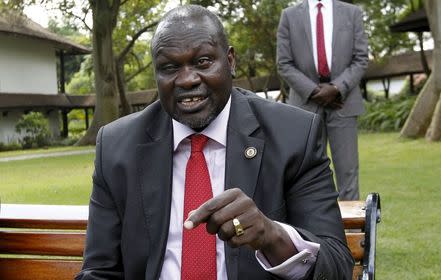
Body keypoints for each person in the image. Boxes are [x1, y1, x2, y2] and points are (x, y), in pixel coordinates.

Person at [76, 5, 353, 280]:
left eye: (203, 62)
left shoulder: (294, 135)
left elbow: (337, 266)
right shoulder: (116, 147)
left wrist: (271, 236)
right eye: (169, 67)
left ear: (230, 61)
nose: (186, 80)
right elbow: (99, 271)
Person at [277, 0, 368, 200]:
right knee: (305, 175)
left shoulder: (352, 13)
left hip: (343, 103)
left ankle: (349, 230)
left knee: (348, 173)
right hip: (304, 105)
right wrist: (314, 91)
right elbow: (284, 63)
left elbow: (361, 58)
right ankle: (312, 229)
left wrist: (336, 88)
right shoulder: (289, 16)